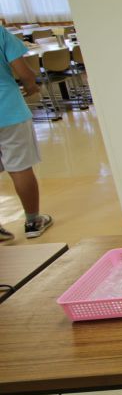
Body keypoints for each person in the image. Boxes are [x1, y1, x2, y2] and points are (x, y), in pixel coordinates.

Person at [0, 27, 54, 242]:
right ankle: (33, 221)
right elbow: (23, 72)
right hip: (8, 109)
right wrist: (31, 86)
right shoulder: (1, 34)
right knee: (20, 167)